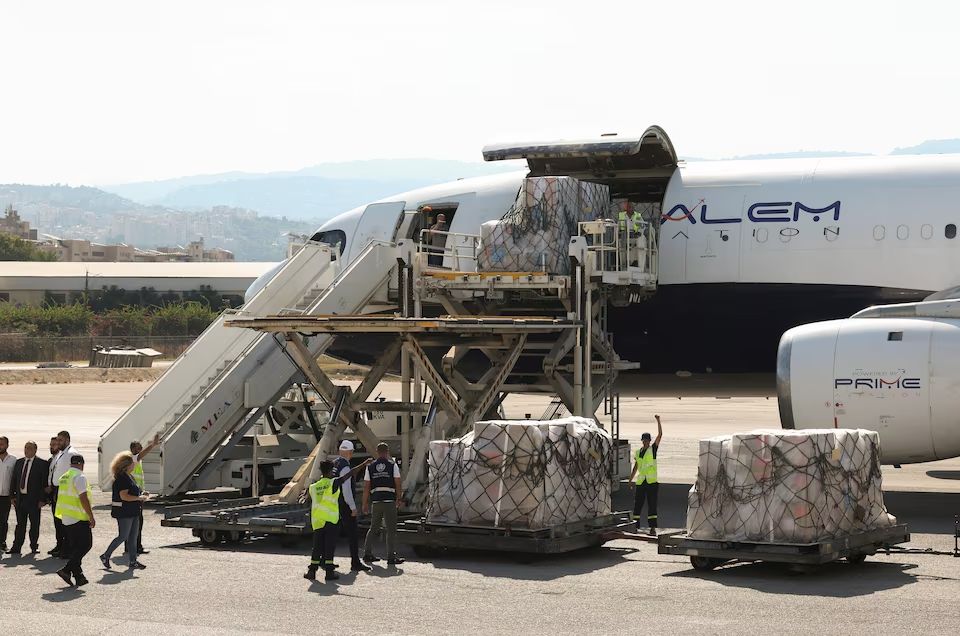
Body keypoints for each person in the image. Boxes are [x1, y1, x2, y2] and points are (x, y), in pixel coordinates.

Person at [304, 458, 372, 582]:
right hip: (330, 520)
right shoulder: (332, 483)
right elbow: (349, 474)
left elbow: (309, 500)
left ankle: (311, 571)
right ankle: (329, 573)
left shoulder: (313, 487)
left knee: (317, 547)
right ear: (330, 472)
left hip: (318, 521)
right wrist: (363, 464)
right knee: (329, 546)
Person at [100, 451, 148, 570]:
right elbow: (124, 496)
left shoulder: (129, 477)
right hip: (124, 512)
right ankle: (106, 555)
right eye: (132, 463)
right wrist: (139, 498)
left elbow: (132, 491)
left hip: (133, 511)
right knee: (123, 536)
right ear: (126, 465)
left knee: (133, 537)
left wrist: (142, 494)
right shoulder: (122, 479)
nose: (134, 465)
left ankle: (133, 561)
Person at [54, 454, 95, 587]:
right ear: (82, 464)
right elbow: (83, 498)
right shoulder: (80, 477)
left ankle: (79, 576)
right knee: (86, 545)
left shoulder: (65, 476)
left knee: (76, 548)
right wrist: (91, 516)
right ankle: (66, 570)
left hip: (66, 517)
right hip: (78, 517)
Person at [362, 442, 404, 566]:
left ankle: (367, 554)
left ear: (377, 452)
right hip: (389, 501)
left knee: (373, 528)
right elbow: (397, 483)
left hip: (376, 501)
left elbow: (366, 487)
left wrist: (364, 504)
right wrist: (399, 498)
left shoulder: (370, 467)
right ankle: (391, 557)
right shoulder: (392, 465)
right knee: (391, 529)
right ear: (387, 452)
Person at [332, 440, 371, 572]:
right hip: (344, 504)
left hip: (333, 503)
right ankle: (355, 562)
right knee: (353, 534)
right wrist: (353, 507)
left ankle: (326, 560)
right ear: (350, 452)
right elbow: (346, 489)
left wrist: (363, 464)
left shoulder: (335, 464)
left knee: (331, 533)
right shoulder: (345, 467)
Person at [8, 441, 48, 555]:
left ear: (35, 450)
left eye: (29, 448)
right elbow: (14, 480)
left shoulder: (41, 464)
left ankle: (34, 546)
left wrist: (42, 500)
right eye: (25, 448)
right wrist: (12, 496)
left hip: (34, 500)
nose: (27, 450)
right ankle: (16, 547)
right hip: (20, 499)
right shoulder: (19, 462)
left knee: (34, 524)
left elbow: (43, 483)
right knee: (20, 524)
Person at [628, 415, 663, 536]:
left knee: (652, 506)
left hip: (652, 482)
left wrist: (658, 421)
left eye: (647, 440)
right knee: (638, 505)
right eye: (644, 440)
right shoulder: (638, 452)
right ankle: (635, 526)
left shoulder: (653, 449)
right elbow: (636, 466)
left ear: (649, 441)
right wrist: (630, 480)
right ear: (642, 441)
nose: (645, 442)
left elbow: (659, 436)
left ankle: (652, 528)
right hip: (641, 482)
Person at [130, 434, 160, 555]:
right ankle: (137, 547)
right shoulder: (133, 458)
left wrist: (143, 492)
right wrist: (152, 445)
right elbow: (142, 455)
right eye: (138, 448)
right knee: (137, 523)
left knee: (134, 523)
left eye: (140, 448)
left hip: (138, 495)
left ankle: (131, 546)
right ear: (132, 449)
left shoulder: (136, 461)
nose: (140, 451)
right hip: (135, 497)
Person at [45, 436, 62, 556]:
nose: (52, 447)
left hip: (59, 494)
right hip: (52, 495)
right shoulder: (51, 460)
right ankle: (59, 544)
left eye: (54, 445)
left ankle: (63, 546)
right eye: (51, 445)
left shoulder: (60, 459)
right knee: (57, 523)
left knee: (61, 523)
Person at [0, 436, 16, 552]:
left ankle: (2, 542)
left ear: (7, 445)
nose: (0, 446)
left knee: (3, 521)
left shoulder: (13, 460)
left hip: (6, 496)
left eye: (2, 444)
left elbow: (15, 479)